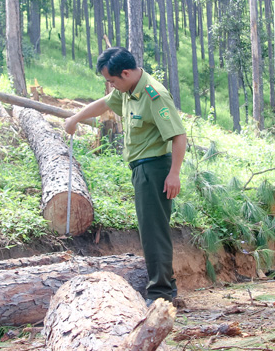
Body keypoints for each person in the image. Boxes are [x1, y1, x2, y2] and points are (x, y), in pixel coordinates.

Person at [64, 47, 187, 304]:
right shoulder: (129, 90)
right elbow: (104, 104)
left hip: (155, 168)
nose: (110, 85)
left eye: (111, 80)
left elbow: (179, 135)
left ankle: (161, 294)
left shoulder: (154, 95)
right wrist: (76, 117)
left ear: (126, 72)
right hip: (141, 168)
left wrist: (174, 173)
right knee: (150, 229)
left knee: (154, 231)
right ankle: (166, 286)